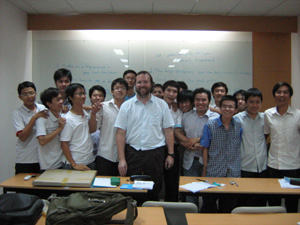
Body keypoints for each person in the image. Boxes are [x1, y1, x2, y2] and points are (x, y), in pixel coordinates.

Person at [115, 71, 175, 202]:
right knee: (131, 190)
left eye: (146, 82)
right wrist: (122, 159)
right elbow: (120, 133)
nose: (142, 85)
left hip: (155, 154)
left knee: (154, 190)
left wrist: (171, 154)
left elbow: (168, 130)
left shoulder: (161, 105)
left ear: (151, 84)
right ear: (135, 84)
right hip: (133, 153)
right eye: (139, 82)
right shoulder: (126, 106)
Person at [201, 95, 242, 213]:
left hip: (232, 173)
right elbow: (205, 148)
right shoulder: (210, 125)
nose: (227, 109)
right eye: (224, 106)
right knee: (209, 207)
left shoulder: (239, 125)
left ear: (235, 109)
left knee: (228, 208)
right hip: (214, 172)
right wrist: (205, 169)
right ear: (220, 107)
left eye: (231, 107)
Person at [264, 82, 300, 213]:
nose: (282, 95)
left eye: (285, 92)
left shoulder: (298, 115)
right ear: (274, 95)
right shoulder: (268, 114)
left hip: (293, 166)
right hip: (273, 165)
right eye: (279, 92)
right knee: (274, 202)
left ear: (290, 95)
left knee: (292, 203)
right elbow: (265, 136)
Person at [181, 88, 219, 206]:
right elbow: (180, 134)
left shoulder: (215, 117)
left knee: (209, 196)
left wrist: (199, 141)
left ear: (209, 101)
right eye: (197, 100)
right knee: (190, 196)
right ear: (193, 101)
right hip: (190, 161)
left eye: (204, 100)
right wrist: (186, 143)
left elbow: (216, 137)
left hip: (210, 162)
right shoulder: (185, 116)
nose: (200, 102)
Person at [234, 88, 267, 206]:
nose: (254, 105)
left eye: (258, 102)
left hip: (262, 167)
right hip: (245, 166)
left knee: (260, 201)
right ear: (246, 102)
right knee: (244, 201)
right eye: (251, 101)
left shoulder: (265, 118)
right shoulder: (238, 119)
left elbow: (266, 136)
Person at [60, 83, 100, 170]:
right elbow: (64, 144)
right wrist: (74, 165)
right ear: (70, 97)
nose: (83, 96)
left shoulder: (85, 113)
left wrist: (93, 113)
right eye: (79, 94)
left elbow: (92, 130)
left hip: (89, 160)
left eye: (84, 93)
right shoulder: (68, 119)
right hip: (74, 163)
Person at [13, 81, 48, 174]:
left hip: (42, 159)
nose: (29, 96)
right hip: (26, 159)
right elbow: (23, 137)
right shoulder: (18, 113)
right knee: (23, 187)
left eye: (31, 93)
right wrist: (35, 117)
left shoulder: (42, 108)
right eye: (25, 94)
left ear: (35, 94)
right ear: (20, 97)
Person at [95, 78, 128, 176]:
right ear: (112, 91)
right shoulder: (103, 107)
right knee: (104, 188)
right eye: (117, 88)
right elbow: (94, 128)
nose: (120, 90)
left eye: (123, 88)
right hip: (106, 155)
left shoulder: (130, 108)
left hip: (126, 155)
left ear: (127, 91)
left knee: (124, 187)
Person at [36, 87, 66, 171]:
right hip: (49, 165)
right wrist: (59, 128)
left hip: (62, 162)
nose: (61, 102)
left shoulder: (63, 117)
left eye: (61, 98)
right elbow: (42, 141)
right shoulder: (42, 119)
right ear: (49, 103)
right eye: (58, 100)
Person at [162, 80, 182, 202]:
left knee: (172, 182)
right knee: (156, 181)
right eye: (168, 90)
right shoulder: (155, 106)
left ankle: (171, 208)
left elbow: (177, 130)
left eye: (174, 91)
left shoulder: (177, 110)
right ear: (163, 92)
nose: (171, 94)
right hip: (157, 148)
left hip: (173, 148)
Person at [88, 85, 106, 156]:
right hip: (88, 150)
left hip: (103, 150)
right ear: (90, 97)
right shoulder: (85, 112)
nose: (98, 98)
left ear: (104, 98)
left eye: (100, 95)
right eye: (95, 95)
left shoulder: (108, 112)